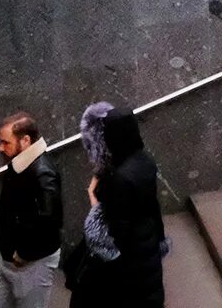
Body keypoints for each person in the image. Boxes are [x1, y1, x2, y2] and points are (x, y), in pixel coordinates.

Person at [69, 104, 164, 308]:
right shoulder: (145, 160)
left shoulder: (120, 177)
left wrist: (95, 203)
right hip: (146, 248)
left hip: (129, 266)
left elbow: (114, 236)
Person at [0, 112, 62, 308]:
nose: (0, 147)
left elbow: (51, 220)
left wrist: (24, 253)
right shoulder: (19, 163)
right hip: (7, 259)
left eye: (6, 143)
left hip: (31, 264)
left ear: (26, 140)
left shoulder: (43, 173)